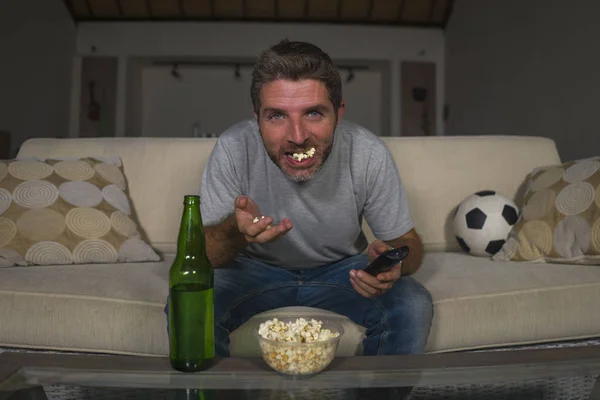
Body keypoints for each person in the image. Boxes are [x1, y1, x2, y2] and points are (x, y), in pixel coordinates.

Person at [169, 39, 433, 362]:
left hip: (342, 272)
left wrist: (394, 262)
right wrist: (236, 232)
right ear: (258, 119)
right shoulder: (232, 148)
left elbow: (409, 246)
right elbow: (204, 256)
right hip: (252, 269)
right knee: (189, 301)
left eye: (313, 113)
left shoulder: (368, 153)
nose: (297, 136)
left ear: (338, 113)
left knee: (413, 303)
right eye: (277, 116)